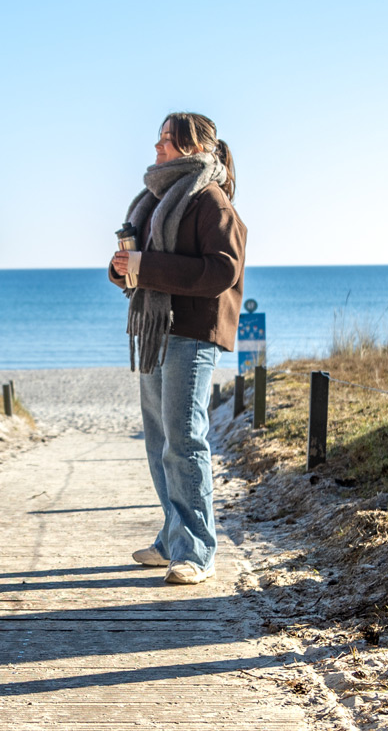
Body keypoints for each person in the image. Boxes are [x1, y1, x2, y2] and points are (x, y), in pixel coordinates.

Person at [109, 112, 246, 585]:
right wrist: (124, 267)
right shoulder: (157, 197)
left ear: (194, 148)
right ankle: (173, 535)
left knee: (185, 440)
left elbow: (222, 270)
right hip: (155, 329)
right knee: (159, 440)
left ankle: (197, 550)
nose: (157, 147)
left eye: (168, 140)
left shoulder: (210, 199)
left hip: (192, 331)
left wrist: (147, 266)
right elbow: (143, 264)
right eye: (159, 138)